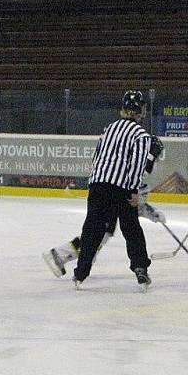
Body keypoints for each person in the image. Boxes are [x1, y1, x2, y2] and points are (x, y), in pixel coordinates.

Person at [69, 90, 155, 290]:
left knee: (92, 228)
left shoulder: (109, 128)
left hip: (98, 184)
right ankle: (140, 269)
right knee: (131, 229)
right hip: (121, 188)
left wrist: (96, 180)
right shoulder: (141, 135)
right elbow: (136, 164)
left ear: (123, 108)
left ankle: (80, 273)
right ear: (141, 111)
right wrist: (133, 190)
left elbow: (97, 157)